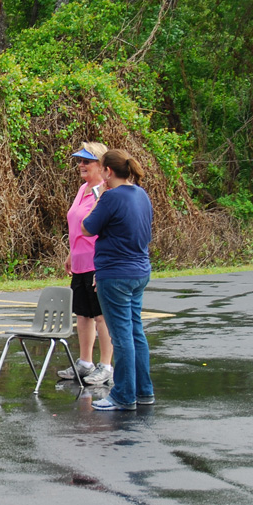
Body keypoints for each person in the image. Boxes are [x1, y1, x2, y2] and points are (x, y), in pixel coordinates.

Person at [81, 149, 154, 411]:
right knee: (136, 332)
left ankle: (123, 394)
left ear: (108, 171)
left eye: (101, 169)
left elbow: (87, 227)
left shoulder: (110, 198)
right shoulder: (141, 195)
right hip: (139, 270)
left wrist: (99, 200)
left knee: (121, 335)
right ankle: (143, 391)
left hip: (115, 273)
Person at [58, 142, 114, 386]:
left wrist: (100, 264)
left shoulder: (103, 192)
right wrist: (72, 252)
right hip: (80, 261)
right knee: (83, 314)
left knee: (101, 315)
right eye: (79, 161)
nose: (81, 165)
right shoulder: (83, 189)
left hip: (96, 262)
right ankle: (84, 362)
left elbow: (101, 228)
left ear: (101, 165)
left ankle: (106, 366)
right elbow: (77, 224)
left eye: (86, 161)